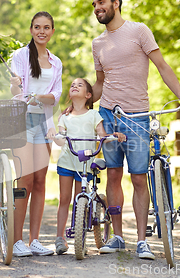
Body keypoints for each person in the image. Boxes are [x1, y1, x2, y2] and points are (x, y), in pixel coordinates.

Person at [90, 0, 180, 259]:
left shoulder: (139, 31)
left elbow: (161, 65)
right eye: (94, 4)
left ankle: (141, 241)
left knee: (139, 177)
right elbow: (101, 84)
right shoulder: (98, 43)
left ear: (116, 3)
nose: (97, 8)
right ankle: (117, 237)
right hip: (108, 115)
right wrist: (81, 103)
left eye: (101, 2)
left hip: (137, 116)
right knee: (113, 174)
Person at [49, 78, 126, 255]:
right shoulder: (65, 116)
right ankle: (60, 238)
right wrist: (54, 135)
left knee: (79, 200)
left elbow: (102, 135)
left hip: (85, 163)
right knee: (64, 199)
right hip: (68, 161)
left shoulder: (94, 115)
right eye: (72, 85)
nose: (74, 86)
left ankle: (79, 235)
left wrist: (113, 135)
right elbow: (61, 140)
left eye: (79, 85)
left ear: (88, 95)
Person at [9, 11, 62, 257]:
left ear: (52, 31)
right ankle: (17, 240)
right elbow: (16, 90)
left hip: (45, 122)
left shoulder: (56, 62)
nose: (42, 31)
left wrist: (40, 98)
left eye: (47, 27)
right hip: (22, 120)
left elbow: (56, 96)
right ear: (31, 29)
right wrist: (16, 86)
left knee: (41, 181)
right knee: (26, 181)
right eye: (37, 27)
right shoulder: (20, 55)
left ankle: (35, 240)